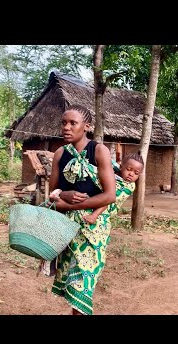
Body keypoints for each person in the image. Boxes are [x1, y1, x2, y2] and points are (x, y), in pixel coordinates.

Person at [47, 104, 116, 315]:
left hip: (92, 228)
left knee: (83, 285)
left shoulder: (99, 151)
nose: (66, 127)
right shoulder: (60, 154)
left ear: (86, 126)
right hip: (67, 228)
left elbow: (110, 195)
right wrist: (64, 195)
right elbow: (52, 197)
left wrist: (76, 204)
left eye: (73, 123)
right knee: (72, 284)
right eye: (64, 123)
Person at [79, 153, 144, 225]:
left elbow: (110, 198)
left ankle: (94, 216)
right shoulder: (115, 169)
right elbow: (107, 160)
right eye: (128, 169)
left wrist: (94, 215)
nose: (131, 174)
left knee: (108, 196)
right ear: (121, 167)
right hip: (98, 197)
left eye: (136, 173)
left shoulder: (128, 186)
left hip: (108, 206)